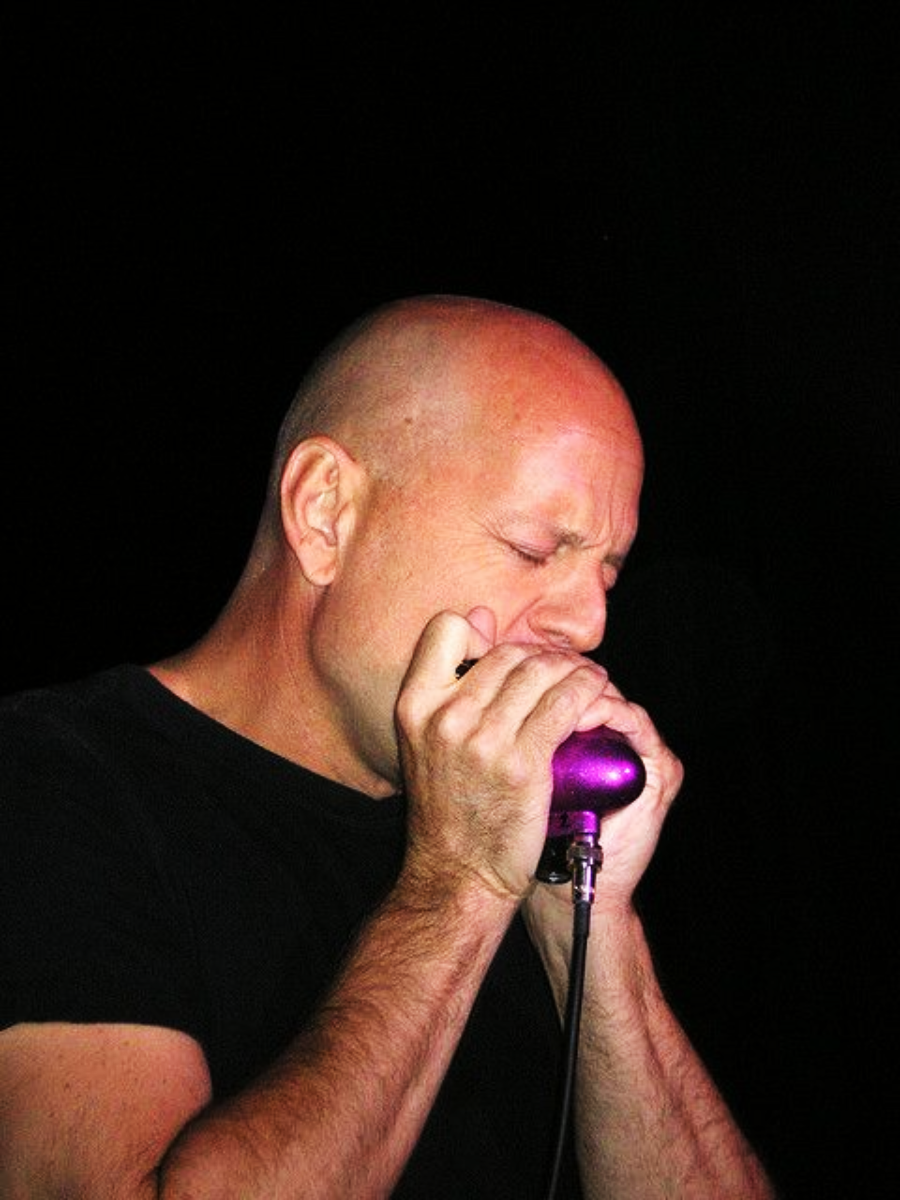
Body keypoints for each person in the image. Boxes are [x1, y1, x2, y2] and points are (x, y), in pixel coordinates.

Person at [0, 295, 775, 1198]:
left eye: (607, 571)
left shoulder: (507, 826)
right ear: (325, 512)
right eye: (533, 549)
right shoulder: (53, 778)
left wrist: (589, 935)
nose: (590, 623)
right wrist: (459, 886)